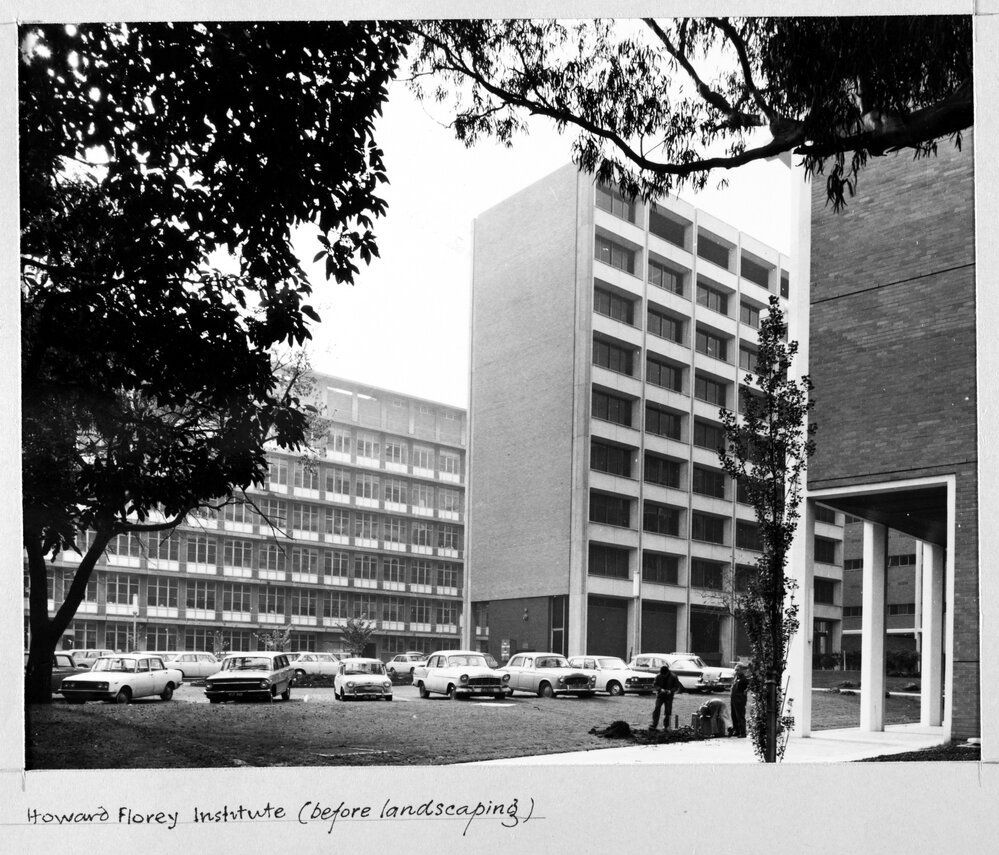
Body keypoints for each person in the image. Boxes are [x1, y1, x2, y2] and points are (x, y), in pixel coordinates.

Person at [651, 664, 682, 731]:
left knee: (668, 711)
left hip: (669, 696)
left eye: (664, 674)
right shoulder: (658, 676)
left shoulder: (674, 677)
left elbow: (676, 686)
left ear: (667, 672)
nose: (663, 675)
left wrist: (671, 691)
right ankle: (654, 724)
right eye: (662, 674)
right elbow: (655, 684)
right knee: (657, 708)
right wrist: (660, 689)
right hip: (660, 695)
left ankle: (666, 726)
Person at [730, 663, 749, 738]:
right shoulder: (736, 678)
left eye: (738, 670)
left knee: (740, 716)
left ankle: (742, 732)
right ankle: (736, 730)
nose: (736, 671)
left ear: (742, 670)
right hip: (733, 699)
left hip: (740, 699)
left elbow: (748, 687)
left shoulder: (744, 679)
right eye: (735, 670)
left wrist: (745, 692)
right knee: (734, 715)